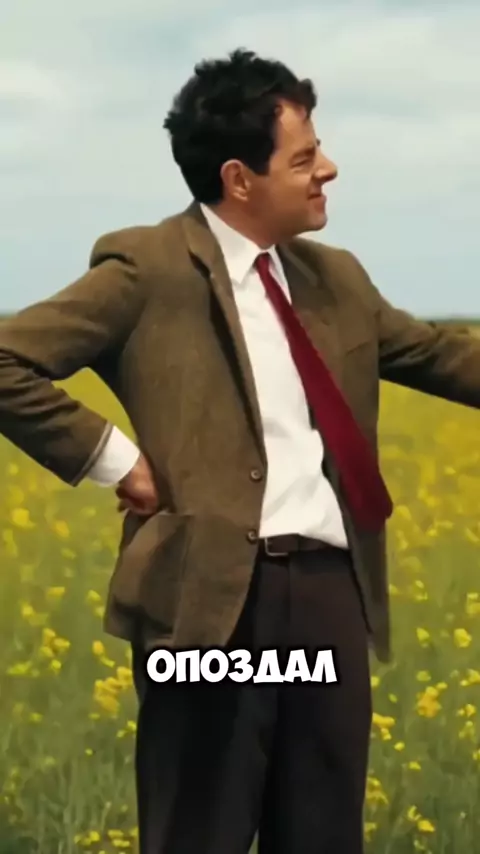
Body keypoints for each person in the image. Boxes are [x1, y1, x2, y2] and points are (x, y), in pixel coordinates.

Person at [0, 48, 480, 854]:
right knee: (201, 832)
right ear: (239, 178)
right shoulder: (147, 269)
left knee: (323, 834)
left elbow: (443, 356)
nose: (328, 168)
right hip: (209, 604)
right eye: (303, 157)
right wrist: (116, 461)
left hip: (327, 596)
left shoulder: (336, 279)